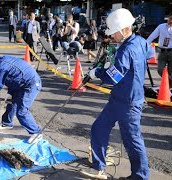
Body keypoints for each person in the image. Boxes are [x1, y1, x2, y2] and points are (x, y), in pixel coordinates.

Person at [80, 8, 153, 179]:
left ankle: (140, 176)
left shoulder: (126, 50)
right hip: (119, 97)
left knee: (132, 139)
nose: (112, 36)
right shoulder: (140, 41)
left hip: (128, 101)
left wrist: (97, 72)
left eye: (114, 33)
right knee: (99, 128)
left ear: (124, 29)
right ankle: (98, 166)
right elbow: (150, 53)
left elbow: (112, 78)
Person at [0, 51, 42, 144]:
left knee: (21, 112)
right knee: (11, 102)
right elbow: (13, 76)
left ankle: (36, 132)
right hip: (20, 84)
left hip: (31, 84)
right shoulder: (3, 61)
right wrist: (10, 92)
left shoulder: (1, 66)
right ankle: (7, 123)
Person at [147, 15, 172, 87]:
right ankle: (169, 84)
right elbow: (152, 36)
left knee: (171, 72)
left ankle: (168, 88)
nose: (170, 21)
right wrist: (145, 44)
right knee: (160, 70)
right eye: (170, 19)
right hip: (162, 51)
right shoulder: (161, 26)